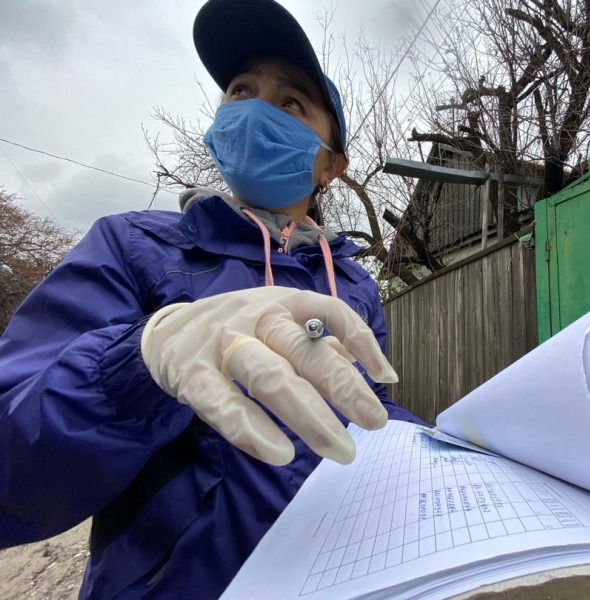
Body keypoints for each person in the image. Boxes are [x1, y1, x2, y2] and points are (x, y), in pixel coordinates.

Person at [0, 0, 423, 597]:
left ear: (331, 166)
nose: (254, 111)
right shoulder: (131, 246)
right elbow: (12, 478)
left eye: (290, 103)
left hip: (335, 578)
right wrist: (139, 364)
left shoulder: (352, 284)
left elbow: (368, 413)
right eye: (240, 90)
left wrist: (449, 445)